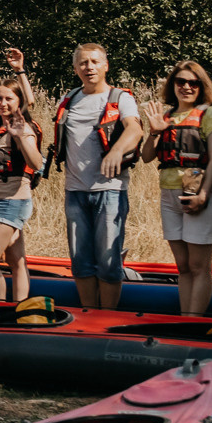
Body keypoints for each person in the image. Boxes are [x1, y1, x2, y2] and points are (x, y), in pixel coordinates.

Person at [50, 43, 144, 310]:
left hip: (109, 190)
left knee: (108, 260)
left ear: (105, 66)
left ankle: (108, 316)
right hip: (75, 190)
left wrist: (116, 151)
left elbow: (135, 129)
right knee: (80, 260)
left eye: (94, 62)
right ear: (75, 68)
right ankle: (88, 314)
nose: (88, 67)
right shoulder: (69, 98)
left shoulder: (119, 98)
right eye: (83, 63)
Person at [139, 61, 212, 315]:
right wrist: (154, 132)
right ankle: (185, 317)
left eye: (193, 83)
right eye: (181, 82)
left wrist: (203, 195)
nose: (187, 87)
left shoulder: (210, 114)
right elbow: (146, 157)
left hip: (197, 194)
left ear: (201, 86)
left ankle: (194, 320)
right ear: (173, 85)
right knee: (184, 266)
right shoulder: (166, 116)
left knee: (199, 266)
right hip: (169, 196)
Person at [0, 75, 44, 300]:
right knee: (16, 260)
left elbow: (36, 163)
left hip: (11, 200)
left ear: (19, 101)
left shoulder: (24, 129)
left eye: (9, 99)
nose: (3, 103)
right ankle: (19, 307)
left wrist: (20, 137)